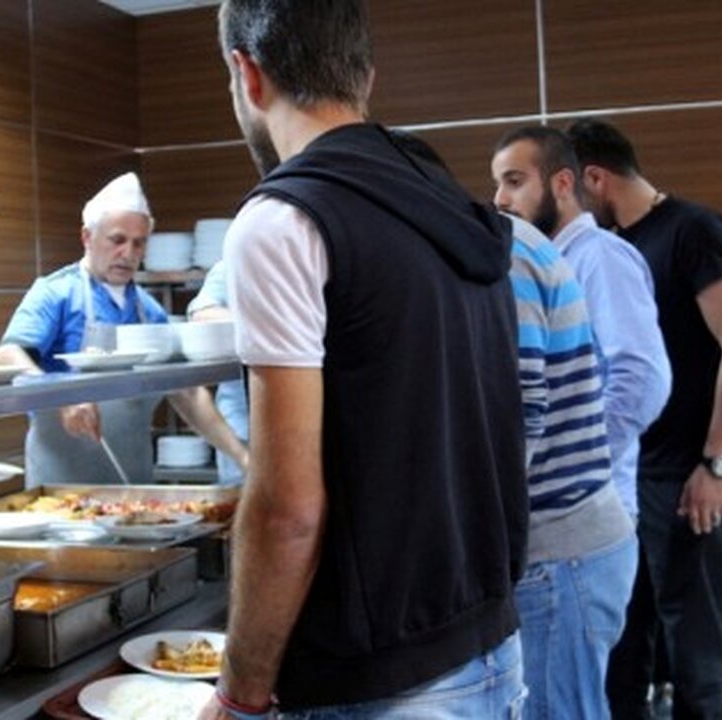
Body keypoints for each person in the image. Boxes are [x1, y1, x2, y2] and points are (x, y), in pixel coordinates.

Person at [202, 2, 528, 718]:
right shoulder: (449, 201)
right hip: (489, 647)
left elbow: (287, 509)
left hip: (380, 685)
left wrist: (239, 694)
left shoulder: (285, 220)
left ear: (246, 73)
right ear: (364, 78)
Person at [569, 119, 722, 720]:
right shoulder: (609, 249)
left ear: (595, 178)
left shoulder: (693, 229)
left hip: (689, 470)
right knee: (626, 645)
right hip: (629, 475)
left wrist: (716, 463)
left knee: (694, 648)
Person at [0, 172, 248, 487]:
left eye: (139, 243)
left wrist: (241, 456)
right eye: (117, 240)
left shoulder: (149, 310)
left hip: (133, 479)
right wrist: (59, 397)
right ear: (87, 237)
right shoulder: (55, 292)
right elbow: (8, 354)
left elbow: (187, 392)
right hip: (62, 482)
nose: (128, 253)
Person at [500, 211, 638, 720]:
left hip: (560, 550)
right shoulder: (514, 246)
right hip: (570, 543)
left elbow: (521, 412)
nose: (502, 195)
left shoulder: (509, 255)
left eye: (514, 179)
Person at [493, 126, 671, 520]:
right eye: (498, 184)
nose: (500, 199)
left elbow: (643, 376)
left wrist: (577, 465)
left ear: (562, 183)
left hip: (586, 509)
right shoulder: (544, 263)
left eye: (514, 182)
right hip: (554, 509)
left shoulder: (600, 256)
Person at [187, 260, 248, 485]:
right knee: (239, 498)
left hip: (310, 422)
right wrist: (259, 326)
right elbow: (201, 313)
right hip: (242, 424)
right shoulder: (232, 264)